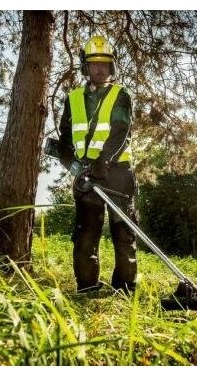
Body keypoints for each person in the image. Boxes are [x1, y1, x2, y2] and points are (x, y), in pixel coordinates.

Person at [57, 35, 138, 294]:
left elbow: (121, 131)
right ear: (86, 66)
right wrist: (70, 161)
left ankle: (124, 288)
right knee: (85, 234)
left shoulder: (120, 95)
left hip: (116, 173)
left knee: (123, 232)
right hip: (86, 174)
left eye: (104, 63)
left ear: (111, 66)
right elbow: (65, 136)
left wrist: (104, 161)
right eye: (94, 64)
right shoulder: (73, 99)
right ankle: (87, 286)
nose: (100, 68)